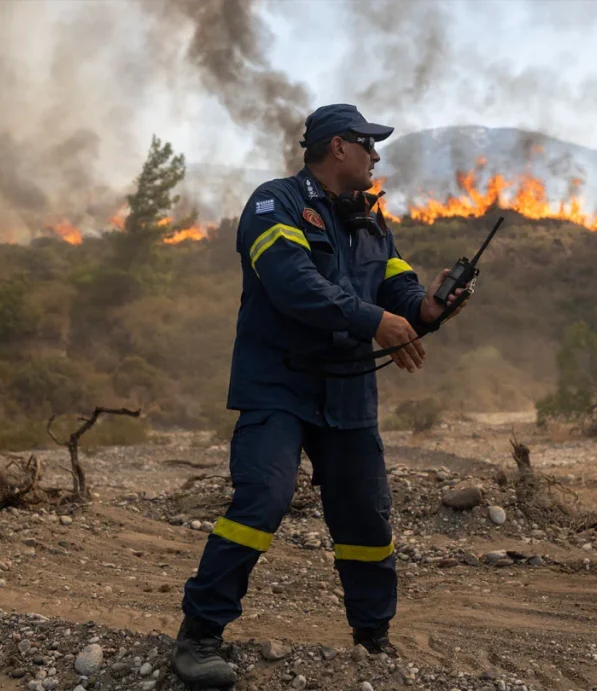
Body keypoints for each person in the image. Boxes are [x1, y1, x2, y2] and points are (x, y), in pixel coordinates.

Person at [172, 104, 469, 688]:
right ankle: (199, 635)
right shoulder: (274, 203)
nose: (376, 156)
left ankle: (372, 640)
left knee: (366, 517)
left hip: (349, 394)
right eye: (368, 144)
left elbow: (400, 287)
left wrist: (429, 307)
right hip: (278, 386)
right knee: (263, 499)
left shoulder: (374, 222)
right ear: (338, 147)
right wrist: (375, 321)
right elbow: (292, 285)